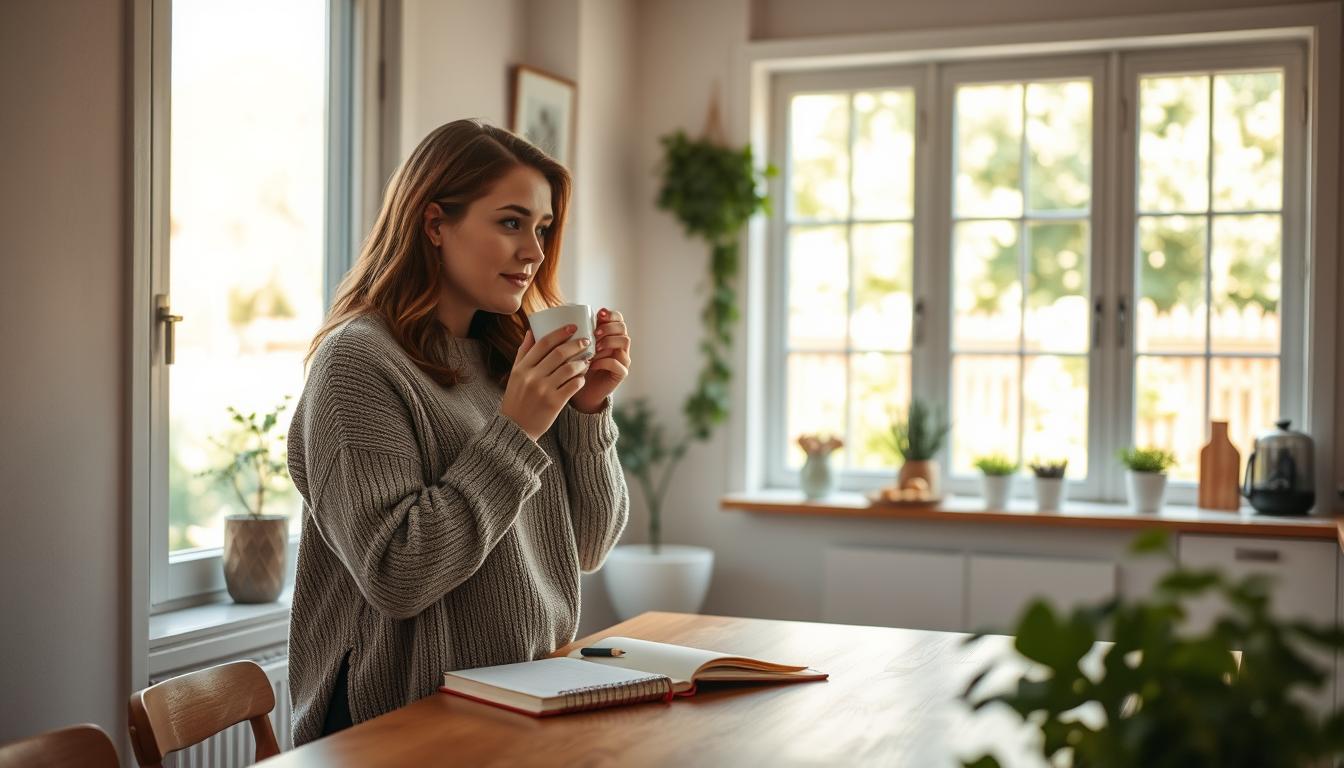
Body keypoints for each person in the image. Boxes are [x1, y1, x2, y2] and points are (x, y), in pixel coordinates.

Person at [284, 119, 632, 745]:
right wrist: (517, 432)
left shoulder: (505, 356)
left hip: (521, 700)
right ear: (435, 223)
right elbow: (397, 574)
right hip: (397, 723)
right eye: (510, 222)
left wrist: (586, 413)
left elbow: (586, 546)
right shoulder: (359, 364)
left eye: (542, 228)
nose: (534, 250)